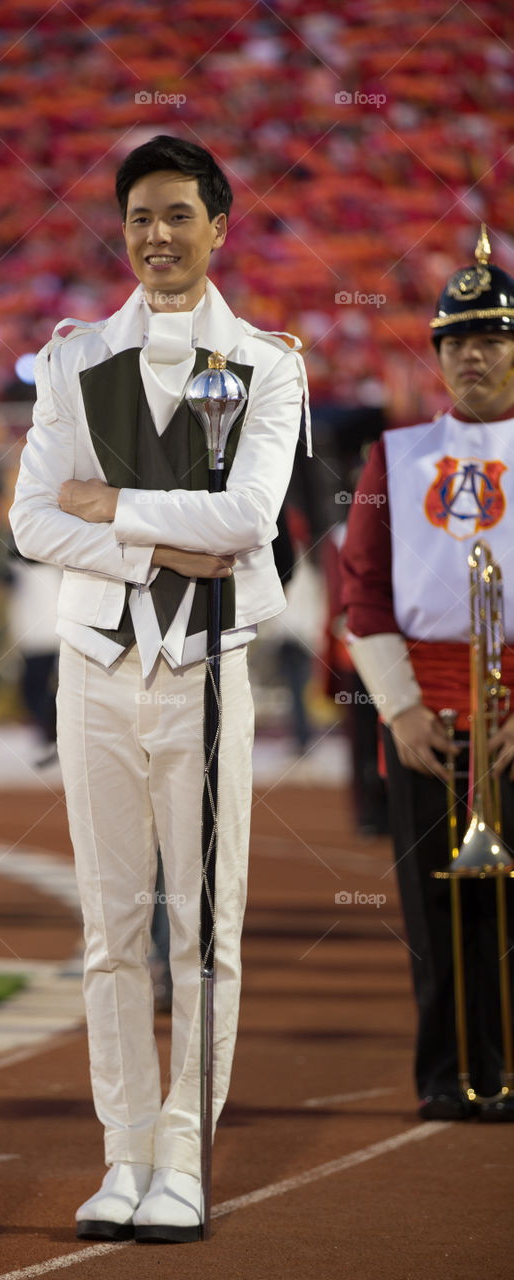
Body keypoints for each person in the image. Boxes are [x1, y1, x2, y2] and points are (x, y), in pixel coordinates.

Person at [10, 135, 308, 1242]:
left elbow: (245, 523)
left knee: (204, 931)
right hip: (95, 662)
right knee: (107, 929)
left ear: (219, 225)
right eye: (139, 215)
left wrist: (112, 506)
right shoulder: (73, 355)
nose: (157, 235)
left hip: (206, 667)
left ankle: (183, 1153)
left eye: (179, 214)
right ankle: (123, 1153)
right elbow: (31, 516)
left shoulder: (268, 361)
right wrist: (148, 546)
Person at [341, 226, 514, 1123]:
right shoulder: (393, 457)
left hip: (513, 713)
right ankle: (446, 1074)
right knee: (435, 912)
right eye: (455, 339)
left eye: (491, 336)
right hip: (424, 717)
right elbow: (361, 596)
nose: (472, 353)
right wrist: (400, 710)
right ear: (437, 355)